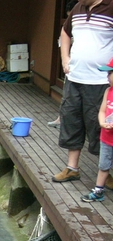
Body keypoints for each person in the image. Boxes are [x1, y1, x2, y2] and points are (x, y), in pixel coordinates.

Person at [52, 0, 113, 187]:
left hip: (100, 80)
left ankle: (105, 172)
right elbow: (65, 32)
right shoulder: (78, 8)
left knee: (99, 125)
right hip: (75, 77)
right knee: (71, 120)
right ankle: (72, 168)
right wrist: (65, 59)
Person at [81, 59, 113, 202]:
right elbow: (102, 111)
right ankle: (98, 190)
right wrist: (102, 122)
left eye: (110, 73)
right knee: (103, 165)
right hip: (106, 137)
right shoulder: (108, 91)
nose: (107, 76)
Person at [47, 0, 79, 129]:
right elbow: (62, 43)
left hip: (83, 68)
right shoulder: (68, 26)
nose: (69, 18)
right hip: (70, 66)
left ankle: (65, 121)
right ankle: (60, 119)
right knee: (66, 95)